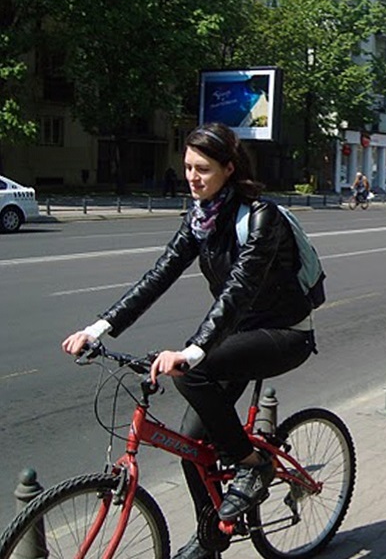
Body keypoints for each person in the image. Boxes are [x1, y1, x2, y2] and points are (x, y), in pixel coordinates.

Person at [62, 122, 316, 559]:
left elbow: (239, 289)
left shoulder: (260, 217)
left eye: (203, 168)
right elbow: (157, 278)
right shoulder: (199, 220)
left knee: (191, 376)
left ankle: (253, 467)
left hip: (284, 333)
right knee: (192, 447)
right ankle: (212, 537)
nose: (192, 177)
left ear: (228, 169)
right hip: (235, 336)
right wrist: (98, 328)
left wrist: (192, 351)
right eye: (187, 167)